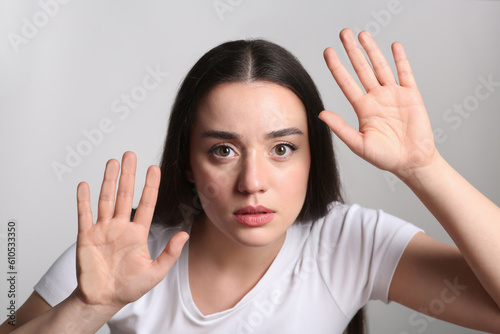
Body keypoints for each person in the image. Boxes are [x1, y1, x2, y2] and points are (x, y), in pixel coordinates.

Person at [2, 28, 500, 334]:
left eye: (282, 148)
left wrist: (422, 167)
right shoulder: (123, 252)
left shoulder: (349, 240)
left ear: (313, 157)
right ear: (188, 163)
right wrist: (89, 309)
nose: (253, 182)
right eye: (223, 150)